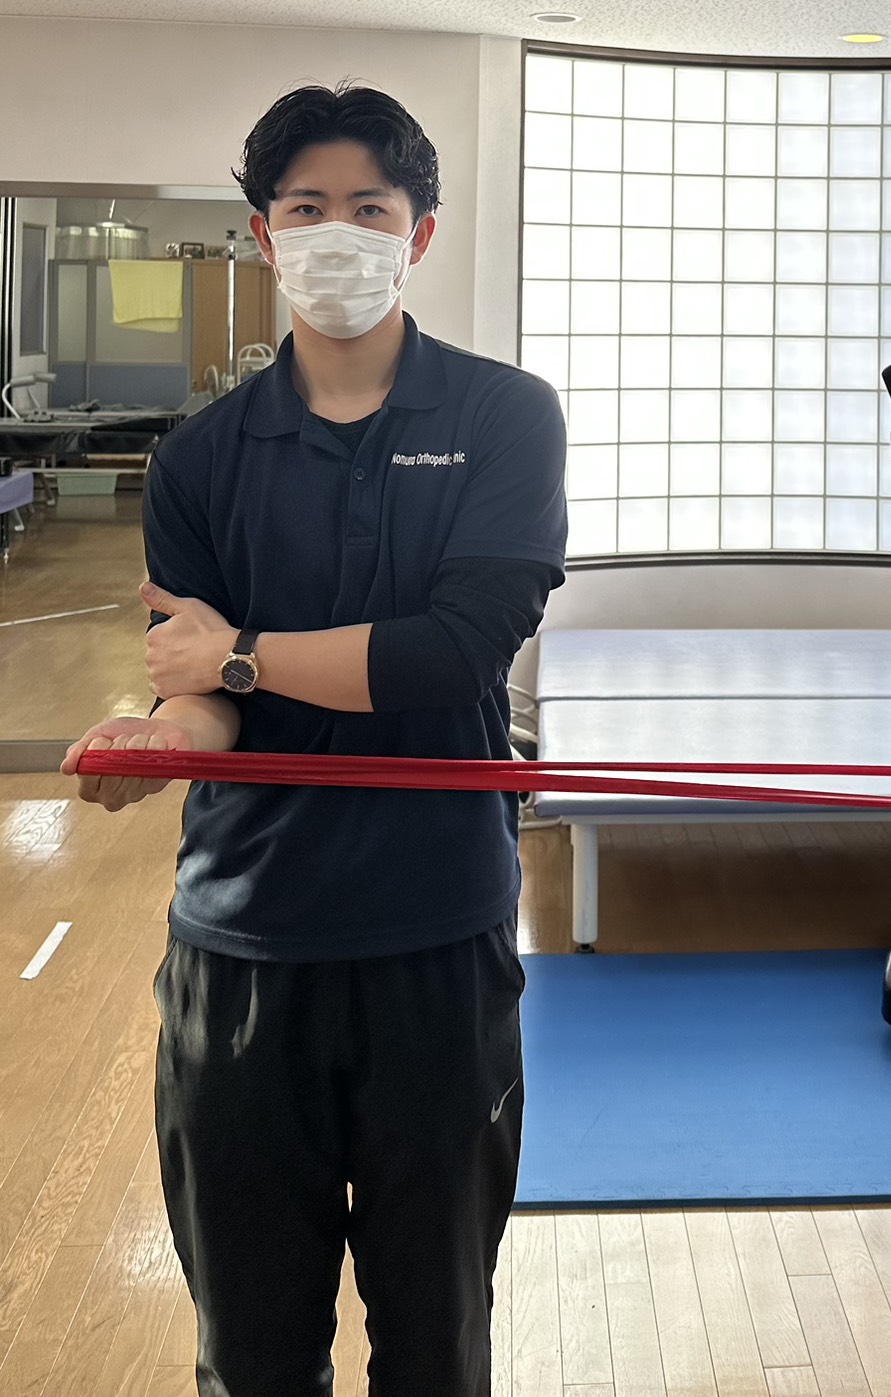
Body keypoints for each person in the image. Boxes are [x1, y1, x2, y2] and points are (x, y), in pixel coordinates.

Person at [61, 82, 567, 1397]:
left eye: (370, 209)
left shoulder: (504, 419)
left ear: (420, 234)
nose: (337, 233)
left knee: (438, 1347)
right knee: (251, 1356)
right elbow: (201, 694)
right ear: (264, 233)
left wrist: (235, 655)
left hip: (437, 941)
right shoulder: (201, 460)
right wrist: (161, 736)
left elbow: (454, 655)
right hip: (245, 950)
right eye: (305, 208)